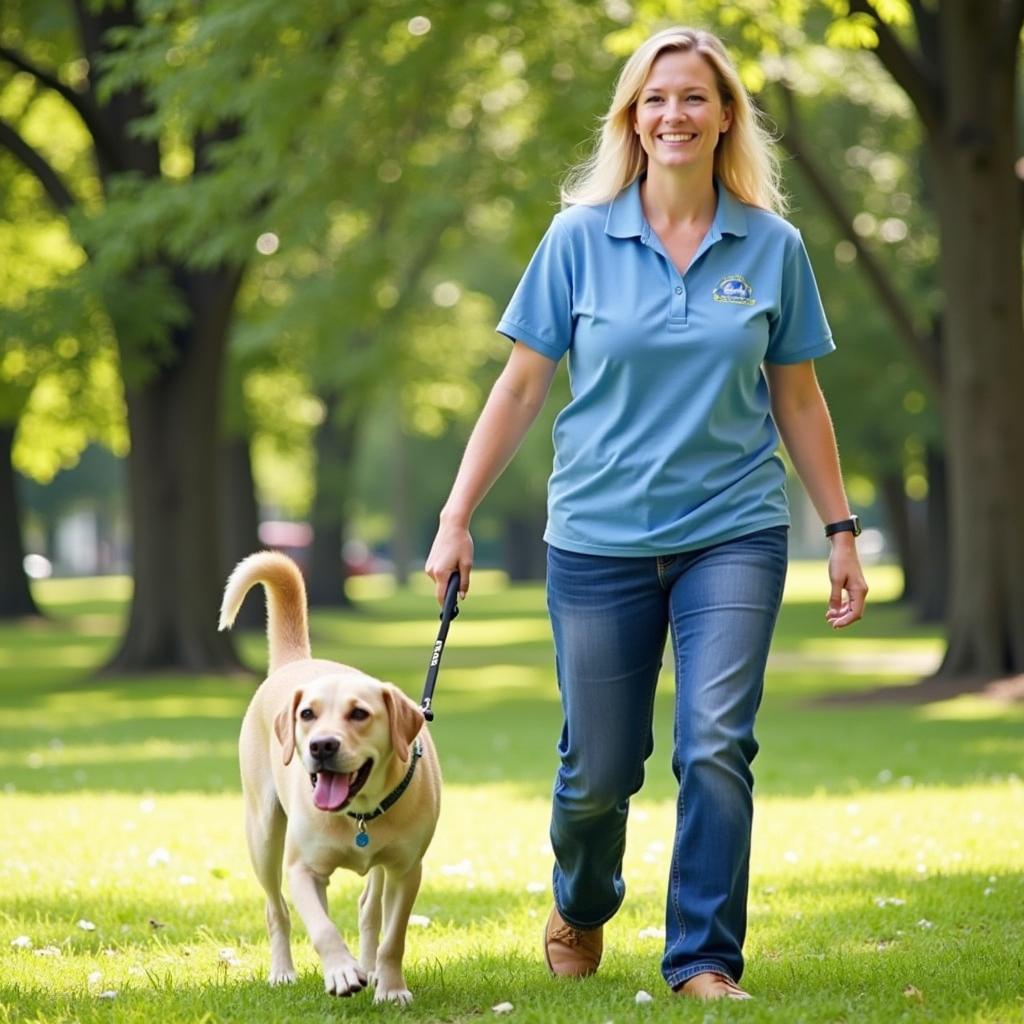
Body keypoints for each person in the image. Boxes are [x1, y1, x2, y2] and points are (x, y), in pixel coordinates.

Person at [425, 25, 867, 1001]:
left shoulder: (771, 245)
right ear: (632, 116)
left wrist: (839, 531)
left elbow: (796, 397)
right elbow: (518, 387)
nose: (674, 114)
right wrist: (456, 516)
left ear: (724, 118)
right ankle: (581, 900)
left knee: (715, 740)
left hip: (733, 530)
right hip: (595, 537)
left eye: (694, 97)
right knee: (597, 770)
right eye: (656, 98)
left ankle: (702, 958)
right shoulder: (578, 238)